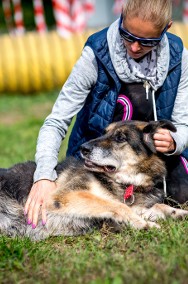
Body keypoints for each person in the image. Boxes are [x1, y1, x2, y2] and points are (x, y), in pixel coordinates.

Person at [24, 0, 188, 228]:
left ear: (167, 28)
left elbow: (183, 124)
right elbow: (57, 120)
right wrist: (43, 175)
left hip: (148, 158)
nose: (134, 47)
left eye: (147, 41)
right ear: (121, 17)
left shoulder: (180, 57)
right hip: (92, 155)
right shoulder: (96, 53)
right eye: (127, 36)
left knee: (181, 195)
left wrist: (174, 141)